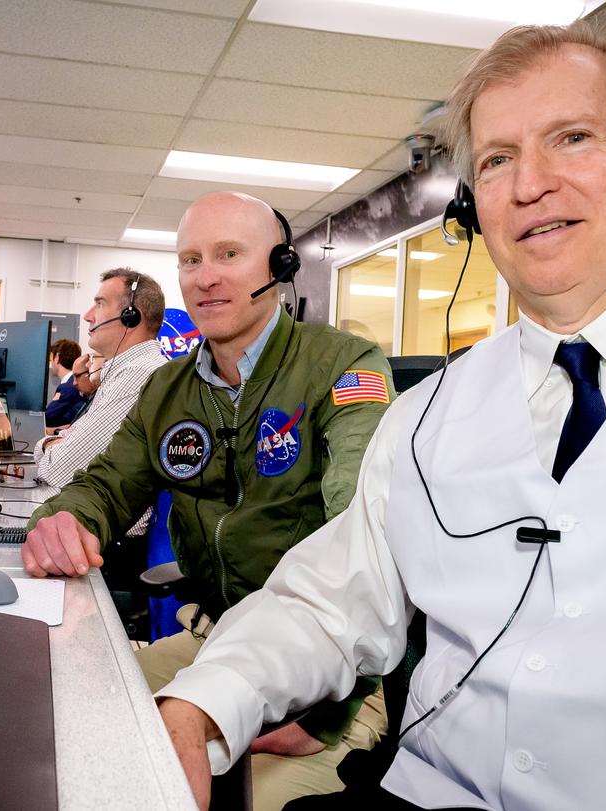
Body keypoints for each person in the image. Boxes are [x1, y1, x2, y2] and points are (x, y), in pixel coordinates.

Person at [155, 18, 606, 811]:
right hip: (430, 793)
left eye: (571, 138)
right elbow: (326, 604)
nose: (531, 184)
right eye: (498, 160)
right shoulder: (427, 416)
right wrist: (201, 704)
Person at [24, 191, 396, 810]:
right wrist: (62, 519)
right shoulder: (168, 387)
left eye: (229, 254)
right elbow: (107, 483)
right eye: (191, 259)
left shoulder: (341, 364)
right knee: (59, 725)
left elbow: (364, 533)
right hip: (207, 640)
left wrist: (333, 713)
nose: (206, 276)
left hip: (329, 677)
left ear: (278, 266)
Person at [33, 268, 167, 489]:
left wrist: (46, 446)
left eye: (100, 304)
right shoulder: (122, 372)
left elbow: (60, 471)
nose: (88, 315)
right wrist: (57, 443)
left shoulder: (138, 375)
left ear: (130, 317)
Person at [45, 338, 85, 429]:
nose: (50, 362)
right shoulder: (72, 382)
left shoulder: (68, 386)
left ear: (57, 358)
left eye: (51, 358)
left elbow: (48, 416)